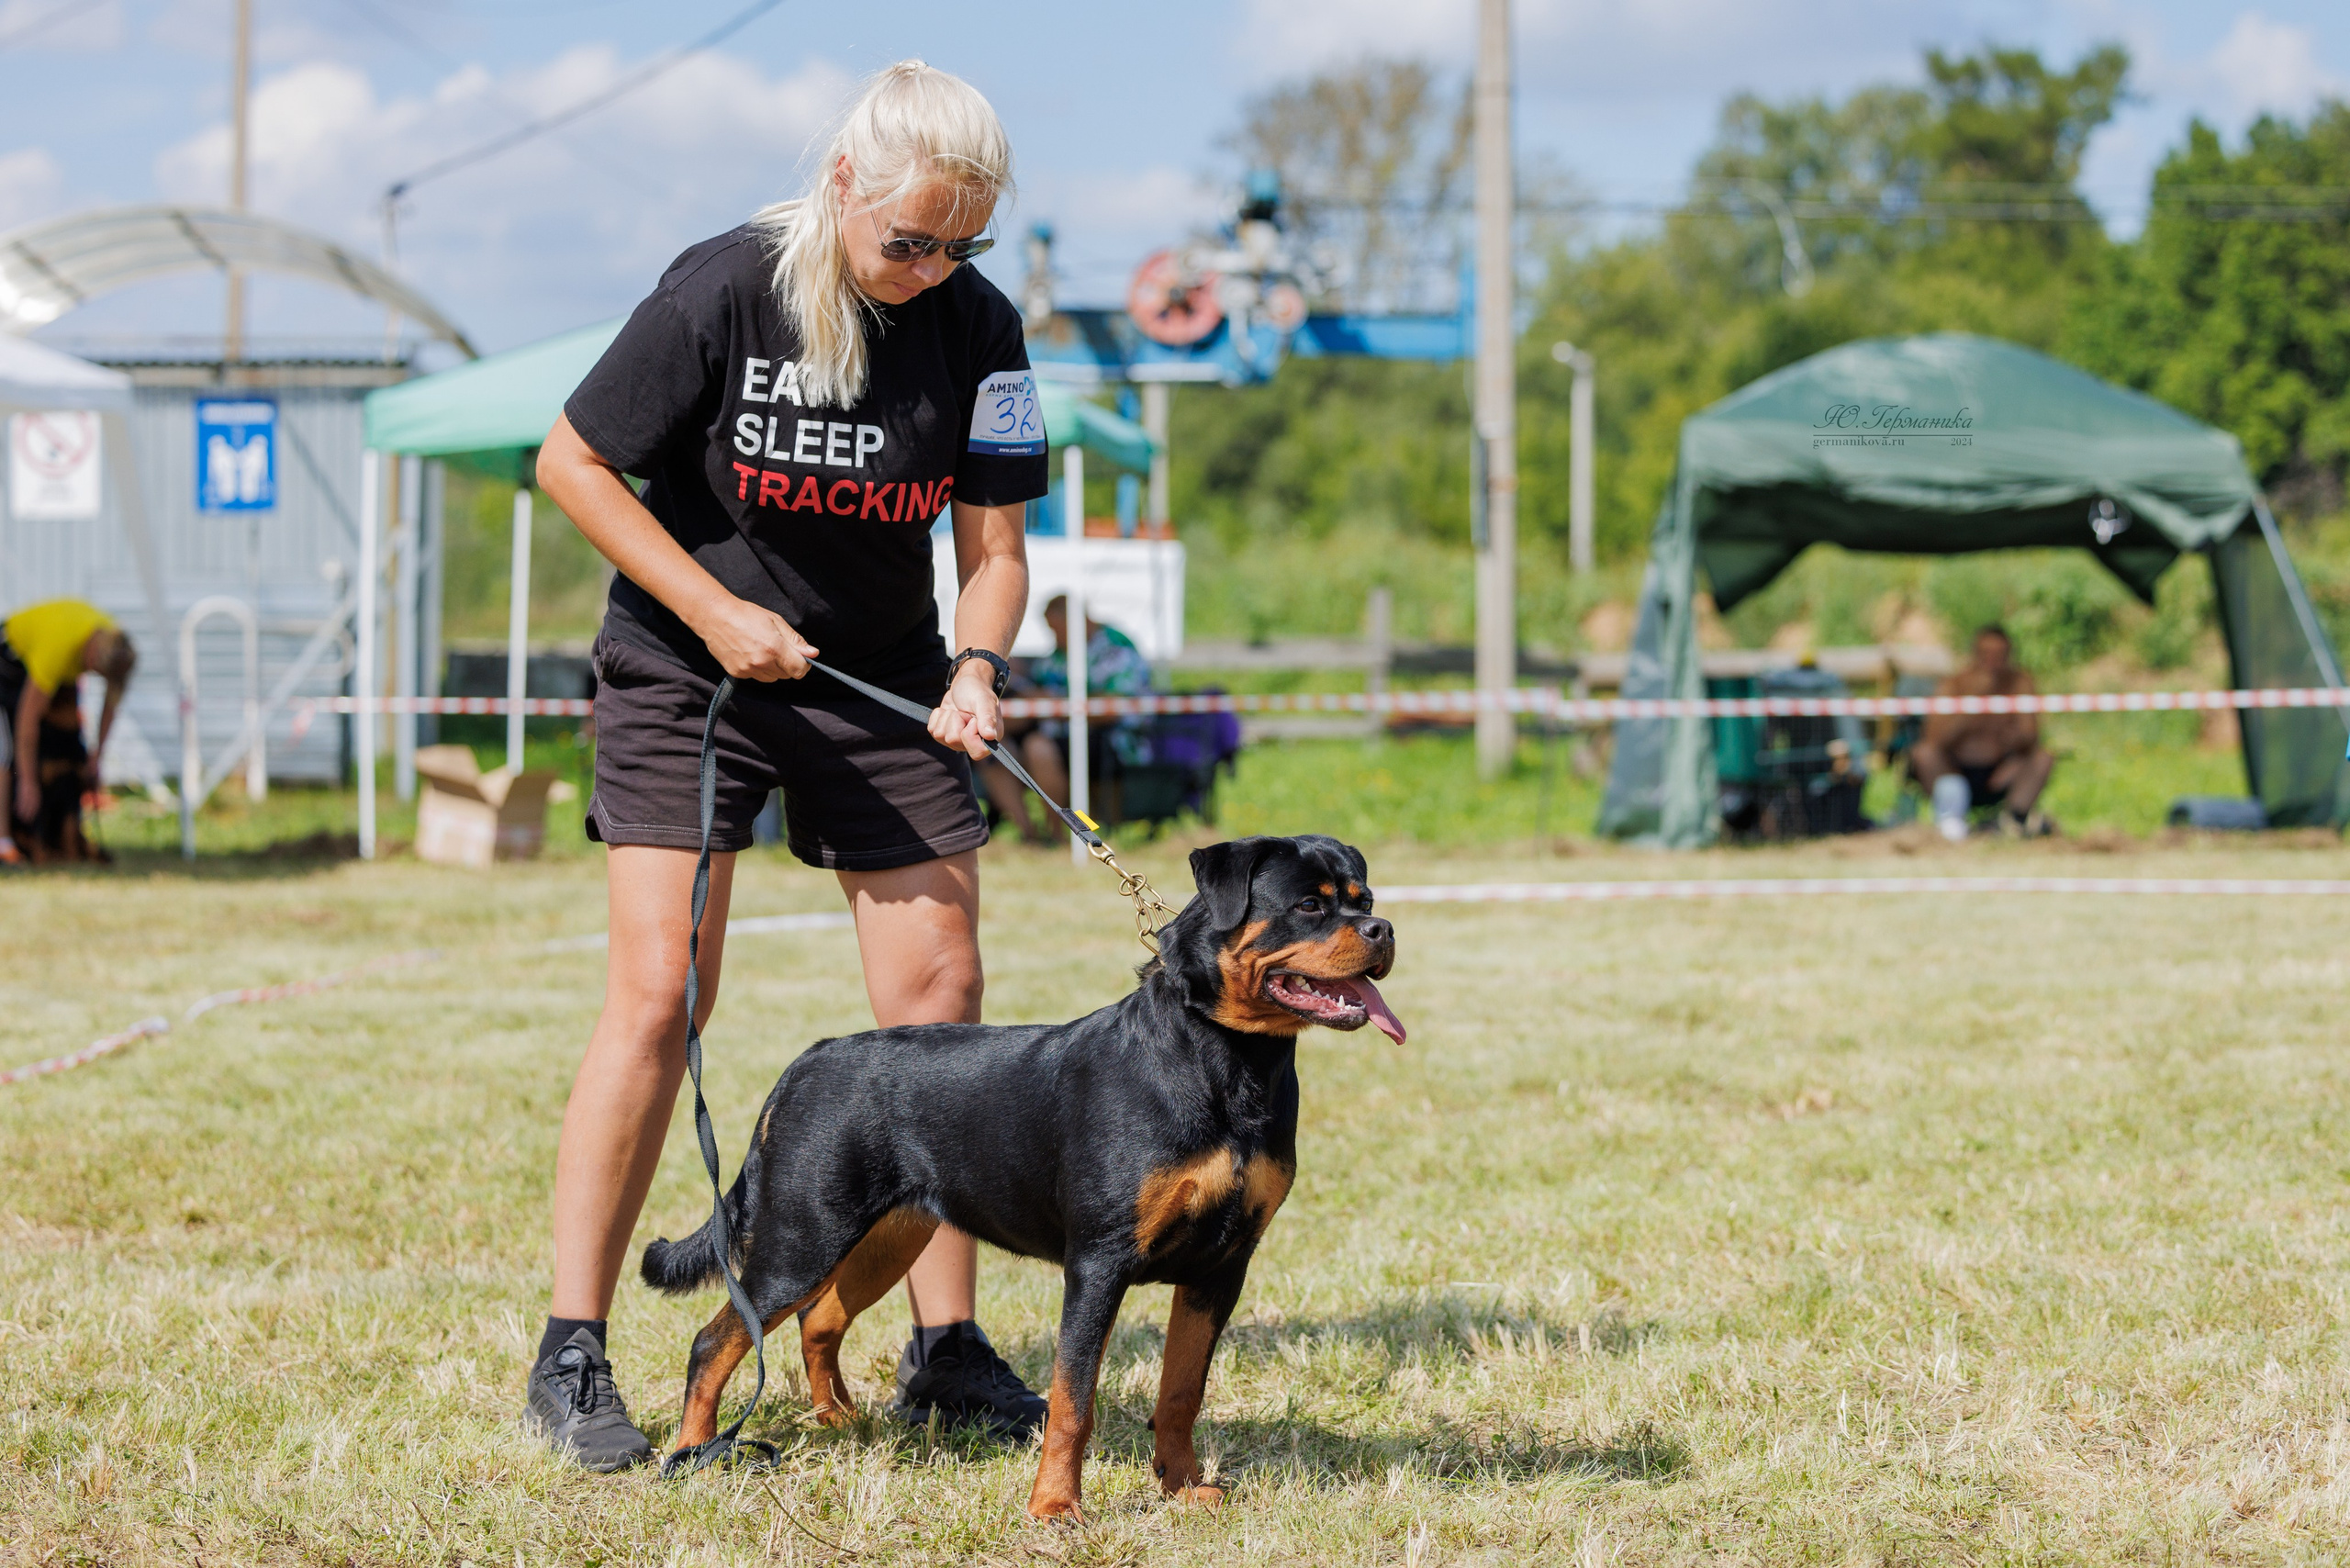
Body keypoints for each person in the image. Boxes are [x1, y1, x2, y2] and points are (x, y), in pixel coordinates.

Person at [526, 61, 1047, 1472]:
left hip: (877, 678)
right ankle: (573, 1349)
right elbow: (571, 464)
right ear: (845, 189)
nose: (933, 270)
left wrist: (977, 672)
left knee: (941, 1006)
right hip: (690, 668)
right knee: (663, 991)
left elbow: (994, 554)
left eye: (962, 245)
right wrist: (711, 609)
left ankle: (944, 1349)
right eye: (910, 241)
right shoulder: (727, 287)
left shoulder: (980, 328)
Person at [976, 594, 1151, 844]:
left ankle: (1060, 838)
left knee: (1038, 748)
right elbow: (1037, 690)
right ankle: (1031, 836)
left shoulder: (1115, 649)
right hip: (1058, 734)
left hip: (1112, 741)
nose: (1054, 636)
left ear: (1075, 622)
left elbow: (1113, 707)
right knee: (991, 748)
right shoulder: (1059, 653)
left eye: (1056, 629)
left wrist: (1054, 702)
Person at [0, 599, 135, 866]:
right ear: (91, 657)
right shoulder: (57, 650)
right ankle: (4, 841)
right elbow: (27, 722)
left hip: (43, 658)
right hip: (8, 657)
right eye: (95, 673)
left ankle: (59, 840)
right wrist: (28, 782)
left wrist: (97, 757)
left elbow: (111, 703)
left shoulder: (116, 646)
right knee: (6, 750)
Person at [1910, 624, 2056, 841]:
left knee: (2043, 757)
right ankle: (1950, 819)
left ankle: (2012, 819)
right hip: (1956, 771)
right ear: (1975, 654)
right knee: (1923, 753)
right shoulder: (1953, 685)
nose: (1992, 662)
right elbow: (1934, 738)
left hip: (2001, 771)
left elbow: (2030, 735)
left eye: (1999, 655)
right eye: (1986, 654)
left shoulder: (2019, 683)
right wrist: (1970, 709)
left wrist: (2012, 745)